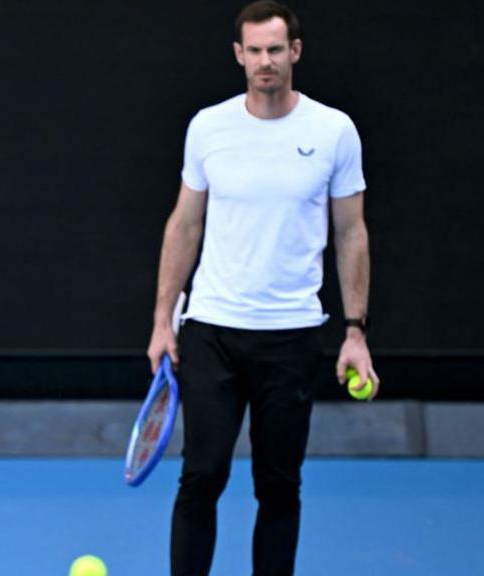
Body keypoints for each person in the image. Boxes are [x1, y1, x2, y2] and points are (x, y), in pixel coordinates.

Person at [145, 2, 380, 574]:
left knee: (278, 486)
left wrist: (356, 331)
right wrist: (161, 320)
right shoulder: (208, 127)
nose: (265, 61)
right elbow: (185, 223)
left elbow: (351, 232)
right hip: (212, 331)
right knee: (202, 475)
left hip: (292, 335)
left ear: (294, 52)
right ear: (239, 56)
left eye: (275, 49)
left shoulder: (333, 131)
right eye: (254, 50)